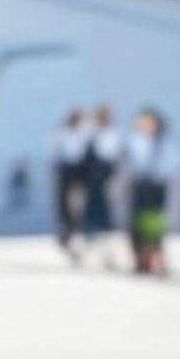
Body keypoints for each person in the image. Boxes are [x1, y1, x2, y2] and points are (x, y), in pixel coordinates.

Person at [125, 106, 180, 275]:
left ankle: (156, 257)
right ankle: (140, 260)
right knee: (137, 224)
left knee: (154, 224)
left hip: (156, 187)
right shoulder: (135, 142)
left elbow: (173, 165)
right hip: (140, 186)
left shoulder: (167, 146)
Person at [82, 104, 123, 267]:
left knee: (105, 217)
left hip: (105, 180)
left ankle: (108, 252)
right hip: (90, 182)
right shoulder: (89, 135)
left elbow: (111, 157)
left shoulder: (112, 136)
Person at [49, 107, 91, 261]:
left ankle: (77, 233)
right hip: (66, 172)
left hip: (80, 173)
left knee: (78, 206)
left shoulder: (86, 134)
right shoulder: (61, 134)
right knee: (66, 205)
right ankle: (67, 233)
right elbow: (55, 153)